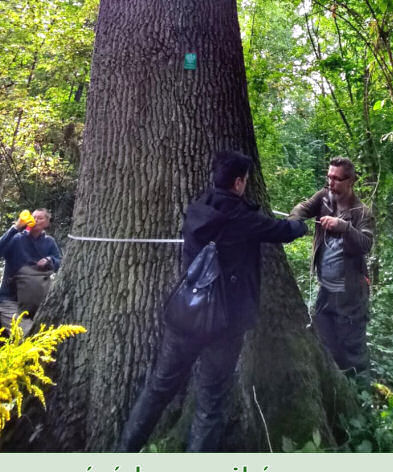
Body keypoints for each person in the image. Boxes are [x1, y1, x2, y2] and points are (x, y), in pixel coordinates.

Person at [119, 150, 307, 453]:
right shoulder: (241, 218)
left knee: (158, 389)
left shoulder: (197, 209)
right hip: (224, 324)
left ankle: (122, 455)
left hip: (184, 317)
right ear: (237, 182)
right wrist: (301, 223)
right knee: (210, 403)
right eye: (245, 179)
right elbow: (282, 231)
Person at [289, 156, 374, 377]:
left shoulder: (361, 212)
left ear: (350, 181)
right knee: (326, 344)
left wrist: (344, 227)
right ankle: (337, 392)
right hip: (325, 290)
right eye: (329, 177)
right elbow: (303, 207)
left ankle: (361, 398)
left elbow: (366, 244)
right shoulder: (323, 198)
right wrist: (294, 222)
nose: (331, 183)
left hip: (351, 294)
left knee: (352, 349)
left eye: (337, 179)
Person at [0, 209, 61, 334]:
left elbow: (59, 262)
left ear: (47, 223)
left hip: (39, 303)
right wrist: (16, 227)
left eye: (40, 218)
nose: (36, 220)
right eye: (33, 217)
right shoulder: (17, 239)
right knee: (26, 333)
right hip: (11, 301)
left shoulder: (49, 242)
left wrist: (49, 260)